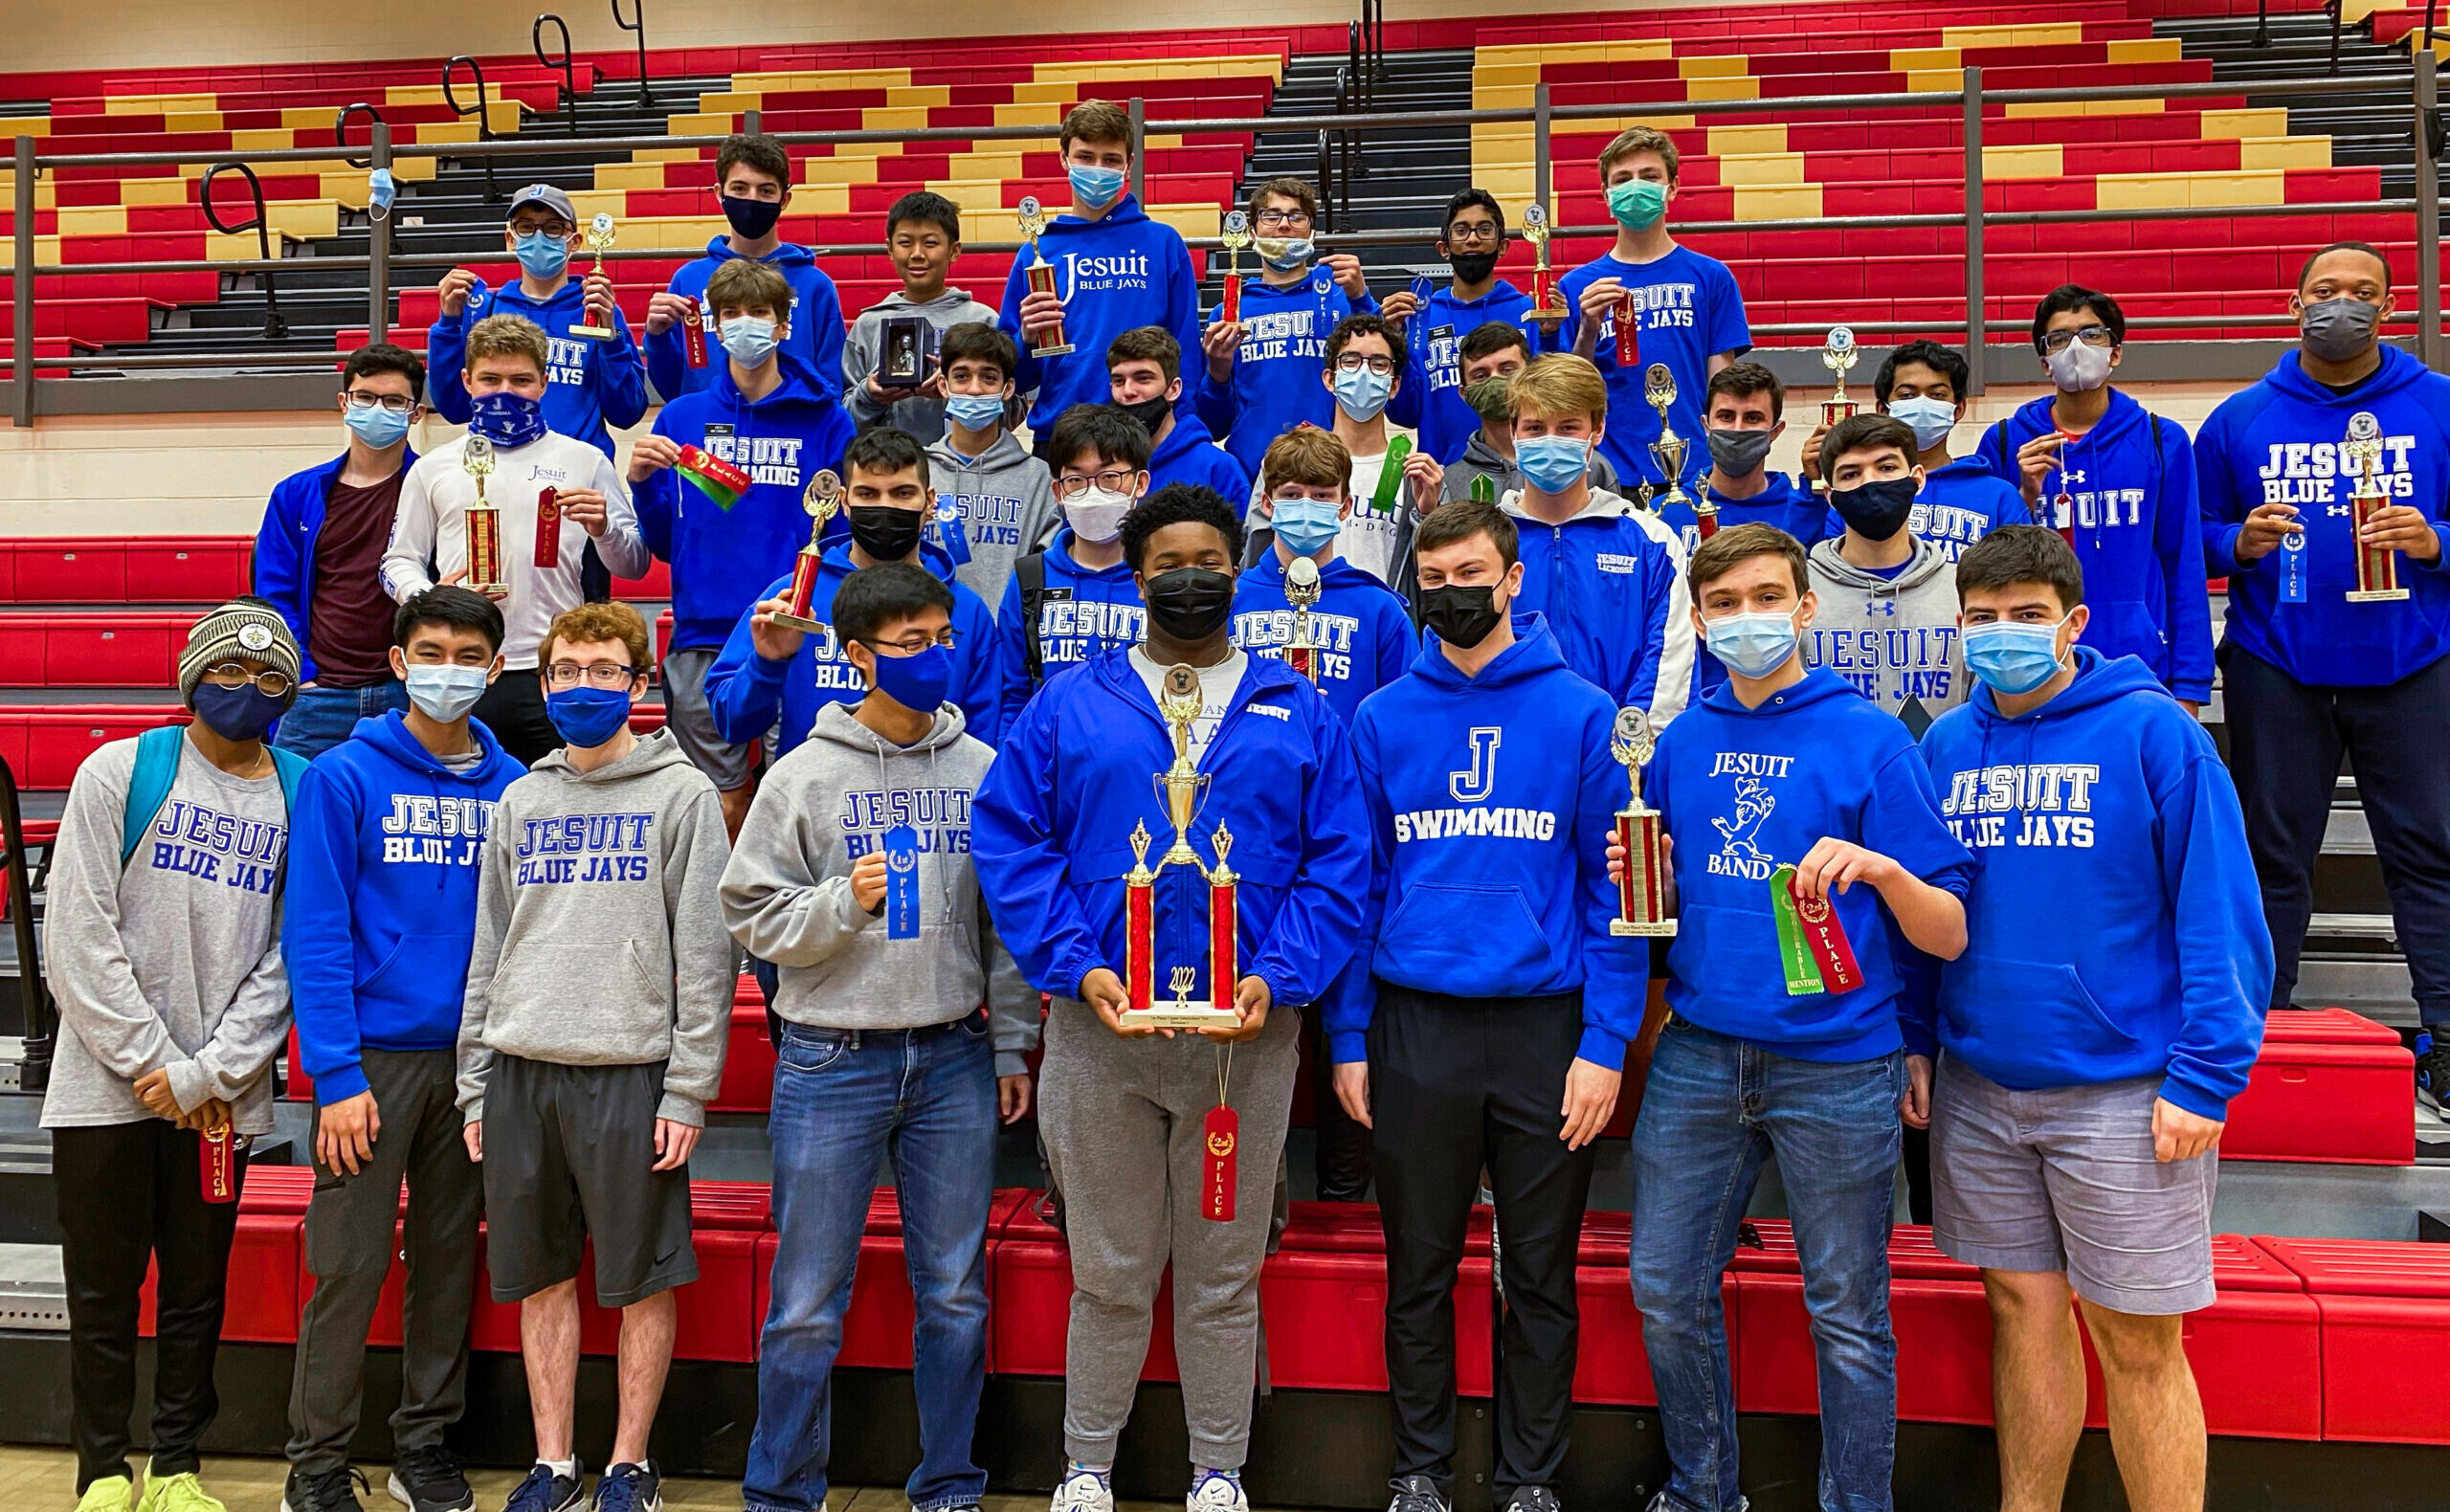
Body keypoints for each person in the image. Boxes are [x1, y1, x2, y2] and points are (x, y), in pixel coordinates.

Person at [973, 485, 1370, 1512]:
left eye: (1206, 559)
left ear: (1235, 571)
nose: (1187, 576)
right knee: (1107, 1266)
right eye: (1166, 563)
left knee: (1222, 1271)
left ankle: (1218, 1468)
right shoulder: (1069, 702)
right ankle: (1086, 1465)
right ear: (1137, 576)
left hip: (1246, 1036)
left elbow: (1339, 860)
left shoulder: (1296, 704)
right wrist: (1076, 962)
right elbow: (1014, 841)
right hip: (1101, 1027)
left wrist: (1279, 977)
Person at [1912, 525, 2269, 1512]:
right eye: (1980, 618)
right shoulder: (1945, 743)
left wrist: (2204, 1075)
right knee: (2019, 1310)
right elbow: (1924, 911)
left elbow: (2218, 912)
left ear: (2072, 622)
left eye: (2025, 616)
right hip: (1983, 1086)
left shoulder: (2153, 732)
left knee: (2137, 1340)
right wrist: (1916, 1039)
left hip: (2124, 1092)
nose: (2000, 635)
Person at [1625, 523, 1972, 1512]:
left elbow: (1945, 930)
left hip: (1838, 1065)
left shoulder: (1870, 737)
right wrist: (1639, 879)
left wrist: (1885, 869)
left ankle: (1855, 1501)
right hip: (1698, 1053)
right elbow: (1670, 901)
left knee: (1848, 1313)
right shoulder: (1678, 741)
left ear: (1806, 605)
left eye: (1766, 596)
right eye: (1724, 604)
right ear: (1698, 618)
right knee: (1662, 1288)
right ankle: (1703, 1490)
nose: (1747, 618)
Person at [1335, 499, 1637, 1512]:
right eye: (1437, 577)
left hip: (1544, 1030)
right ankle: (1418, 1468)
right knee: (1416, 1267)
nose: (1456, 592)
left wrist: (1605, 1041)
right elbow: (1359, 883)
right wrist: (1346, 1033)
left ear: (1513, 580)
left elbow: (1612, 892)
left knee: (1539, 1273)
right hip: (1412, 1019)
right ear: (1415, 583)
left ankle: (1530, 1479)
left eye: (1475, 573)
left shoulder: (1585, 712)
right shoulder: (1380, 716)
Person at [723, 562, 1035, 1512]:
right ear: (856, 656)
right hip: (830, 1058)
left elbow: (1006, 926)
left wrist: (1012, 1042)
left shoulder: (981, 768)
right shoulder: (802, 775)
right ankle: (782, 1491)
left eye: (942, 637)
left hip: (953, 1056)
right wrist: (839, 904)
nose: (934, 655)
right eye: (910, 643)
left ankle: (947, 1483)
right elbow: (750, 912)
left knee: (952, 1292)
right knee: (806, 1304)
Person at [456, 601, 732, 1512]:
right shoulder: (522, 797)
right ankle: (553, 1463)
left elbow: (707, 953)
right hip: (521, 1070)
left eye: (603, 670)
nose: (582, 686)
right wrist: (473, 1086)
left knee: (638, 1282)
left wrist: (688, 1090)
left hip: (632, 1070)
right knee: (540, 1278)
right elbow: (489, 949)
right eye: (566, 670)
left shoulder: (683, 794)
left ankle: (628, 1465)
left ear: (639, 683)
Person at [44, 601, 307, 1512]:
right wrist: (157, 1065)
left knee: (197, 1292)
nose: (246, 691)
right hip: (103, 1091)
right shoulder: (122, 769)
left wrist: (206, 1076)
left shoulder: (301, 790)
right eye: (228, 673)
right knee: (104, 1292)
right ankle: (102, 1471)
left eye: (269, 678)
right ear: (192, 677)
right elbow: (77, 939)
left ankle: (177, 1466)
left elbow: (293, 953)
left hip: (221, 1101)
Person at [279, 587, 520, 1512]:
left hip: (472, 1066)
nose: (448, 667)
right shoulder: (344, 776)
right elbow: (318, 930)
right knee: (349, 1265)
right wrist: (334, 1072)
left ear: (495, 669)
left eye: (468, 653)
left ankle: (424, 1444)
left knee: (448, 1259)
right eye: (431, 649)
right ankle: (317, 1461)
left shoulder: (515, 788)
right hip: (370, 1064)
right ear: (397, 662)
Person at [2194, 239, 2450, 1106]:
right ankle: (2260, 1030)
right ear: (2293, 303)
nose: (2341, 304)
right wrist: (2236, 544)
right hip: (2279, 667)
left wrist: (2436, 541)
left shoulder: (2440, 405)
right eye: (2325, 290)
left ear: (2390, 307)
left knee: (2429, 855)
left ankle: (2445, 1038)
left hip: (2414, 665)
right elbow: (2188, 536)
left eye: (2361, 292)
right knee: (2272, 857)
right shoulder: (2237, 419)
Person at [1233, 426, 1418, 1204]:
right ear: (1266, 503)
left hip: (1352, 850)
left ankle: (1348, 1208)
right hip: (1251, 852)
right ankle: (1256, 1214)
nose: (1306, 510)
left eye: (1322, 497)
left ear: (1346, 505)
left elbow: (1406, 727)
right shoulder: (1233, 597)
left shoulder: (1379, 611)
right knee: (1255, 1048)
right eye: (1292, 497)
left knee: (1351, 1049)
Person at [629, 257, 856, 835]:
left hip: (797, 634)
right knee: (717, 810)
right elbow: (661, 542)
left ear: (783, 327)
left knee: (801, 805)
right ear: (713, 324)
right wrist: (641, 485)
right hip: (704, 635)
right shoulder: (681, 416)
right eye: (731, 314)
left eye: (759, 313)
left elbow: (838, 535)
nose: (744, 325)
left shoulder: (828, 420)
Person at [382, 314, 649, 767]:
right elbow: (396, 562)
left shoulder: (586, 460)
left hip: (555, 665)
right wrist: (432, 597)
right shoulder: (433, 466)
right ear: (466, 381)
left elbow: (634, 564)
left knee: (557, 804)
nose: (505, 391)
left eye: (521, 379)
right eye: (490, 379)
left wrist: (604, 530)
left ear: (544, 383)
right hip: (464, 666)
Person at [1971, 286, 2213, 711]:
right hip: (2034, 667)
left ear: (2115, 352)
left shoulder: (2161, 439)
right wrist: (2025, 493)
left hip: (2137, 666)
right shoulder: (2005, 441)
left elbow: (2184, 563)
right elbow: (1987, 562)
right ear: (2045, 362)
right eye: (2059, 339)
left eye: (2092, 334)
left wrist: (2190, 684)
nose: (2076, 348)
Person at [705, 426, 1009, 759]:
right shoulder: (793, 597)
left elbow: (984, 741)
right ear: (845, 502)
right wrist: (767, 664)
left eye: (903, 493)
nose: (885, 507)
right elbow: (731, 723)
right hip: (817, 799)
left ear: (931, 501)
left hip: (931, 803)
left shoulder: (967, 610)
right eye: (868, 494)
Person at [1497, 354, 1693, 721]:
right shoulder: (1487, 540)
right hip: (1514, 754)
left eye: (1568, 427)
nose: (1551, 441)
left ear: (1597, 430)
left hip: (1624, 757)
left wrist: (1630, 748)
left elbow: (1671, 660)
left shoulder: (1652, 541)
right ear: (1513, 432)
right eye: (1536, 428)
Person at [256, 344, 428, 759]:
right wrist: (304, 674)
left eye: (393, 401)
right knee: (295, 817)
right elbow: (274, 596)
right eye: (365, 397)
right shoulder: (297, 493)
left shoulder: (434, 488)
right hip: (316, 697)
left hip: (406, 693)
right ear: (344, 403)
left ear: (415, 413)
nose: (377, 409)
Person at [1000, 100, 1201, 447]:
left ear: (1129, 165)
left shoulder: (1163, 244)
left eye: (1110, 160)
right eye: (1085, 157)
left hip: (1146, 437)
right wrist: (1027, 340)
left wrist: (1182, 430)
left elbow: (1186, 350)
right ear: (1064, 159)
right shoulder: (1037, 253)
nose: (1097, 169)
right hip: (1060, 436)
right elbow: (1015, 374)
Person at [1559, 128, 1749, 493]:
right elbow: (1570, 391)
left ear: (1672, 188)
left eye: (1649, 177)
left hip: (1696, 468)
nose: (1636, 187)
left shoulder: (1711, 277)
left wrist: (1725, 460)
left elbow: (1721, 384)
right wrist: (1587, 329)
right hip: (1609, 472)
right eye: (1623, 179)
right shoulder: (1576, 287)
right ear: (1606, 194)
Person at [427, 184, 645, 462]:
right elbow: (454, 408)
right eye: (526, 227)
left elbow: (627, 413)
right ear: (510, 238)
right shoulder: (486, 311)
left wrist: (612, 342)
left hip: (579, 475)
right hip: (500, 469)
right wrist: (448, 326)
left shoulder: (598, 310)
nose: (539, 236)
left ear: (575, 241)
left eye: (553, 227)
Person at [1192, 176, 1389, 476]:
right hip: (1252, 475)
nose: (1284, 225)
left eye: (1296, 216)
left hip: (1330, 473)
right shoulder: (1228, 314)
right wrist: (1217, 373)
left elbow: (1387, 376)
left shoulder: (1343, 298)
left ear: (1312, 231)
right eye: (1271, 216)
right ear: (1252, 231)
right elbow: (1213, 426)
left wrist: (1362, 299)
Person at [643, 133, 847, 408]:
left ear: (784, 199)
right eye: (740, 189)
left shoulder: (815, 286)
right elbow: (674, 388)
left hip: (790, 439)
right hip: (708, 440)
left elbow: (831, 385)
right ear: (719, 193)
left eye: (765, 191)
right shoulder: (688, 280)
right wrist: (656, 338)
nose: (752, 200)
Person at [1804, 414, 1968, 728]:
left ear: (1918, 479)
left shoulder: (1962, 588)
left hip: (1935, 772)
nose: (1871, 482)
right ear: (1830, 496)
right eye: (1851, 474)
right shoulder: (1800, 591)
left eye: (1887, 467)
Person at [995, 405, 1150, 733]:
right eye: (1076, 479)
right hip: (1047, 765)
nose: (1093, 491)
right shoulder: (1030, 579)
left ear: (1140, 483)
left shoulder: (1158, 580)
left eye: (1110, 477)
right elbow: (1013, 696)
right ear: (1058, 491)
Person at [1806, 339, 2027, 561]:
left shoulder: (1999, 497)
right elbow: (1817, 568)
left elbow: (2019, 576)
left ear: (1958, 409)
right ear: (1883, 409)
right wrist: (1811, 487)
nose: (1923, 404)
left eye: (1937, 395)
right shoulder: (1856, 493)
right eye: (1907, 395)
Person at [1292, 314, 1442, 588]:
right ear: (1330, 379)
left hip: (1385, 623)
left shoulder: (1417, 475)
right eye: (1350, 361)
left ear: (1394, 385)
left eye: (1379, 364)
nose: (1364, 372)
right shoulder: (1293, 462)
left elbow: (1433, 570)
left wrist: (1427, 515)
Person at [1397, 189, 1545, 466]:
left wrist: (1550, 333)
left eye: (1484, 230)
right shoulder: (1421, 316)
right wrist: (1394, 344)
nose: (1473, 239)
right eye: (1462, 231)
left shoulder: (1528, 312)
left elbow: (1548, 395)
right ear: (1444, 248)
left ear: (1503, 246)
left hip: (1523, 472)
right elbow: (1404, 412)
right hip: (1444, 476)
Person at [844, 191, 1001, 445]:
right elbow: (841, 417)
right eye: (905, 243)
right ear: (890, 250)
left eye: (930, 243)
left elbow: (1012, 408)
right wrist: (870, 395)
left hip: (963, 468)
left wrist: (958, 388)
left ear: (954, 251)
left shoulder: (983, 321)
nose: (917, 254)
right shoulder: (868, 326)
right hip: (887, 468)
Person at [926, 322, 1060, 609]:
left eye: (988, 378)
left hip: (1006, 642)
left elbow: (1047, 572)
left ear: (1008, 388)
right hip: (923, 638)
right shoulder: (918, 472)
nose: (974, 389)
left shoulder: (1039, 478)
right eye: (962, 376)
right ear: (943, 385)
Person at [1438, 322, 1620, 508]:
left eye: (1507, 370)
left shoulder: (1591, 465)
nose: (1495, 381)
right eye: (1480, 376)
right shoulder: (1452, 481)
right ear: (1464, 392)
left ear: (1529, 374)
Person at [1682, 360, 1822, 557]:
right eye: (1726, 416)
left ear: (1775, 431)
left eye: (1752, 418)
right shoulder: (1667, 510)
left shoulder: (1804, 510)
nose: (1738, 429)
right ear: (1706, 425)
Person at [1107, 325, 1250, 500]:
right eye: (1119, 381)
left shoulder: (1217, 468)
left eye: (1143, 379)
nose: (1128, 391)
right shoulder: (1099, 468)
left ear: (1174, 389)